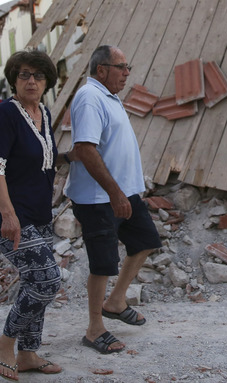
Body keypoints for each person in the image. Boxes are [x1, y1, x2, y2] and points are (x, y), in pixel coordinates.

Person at [0, 50, 72, 380]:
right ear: (14, 80)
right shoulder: (6, 113)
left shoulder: (43, 112)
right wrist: (7, 214)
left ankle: (29, 353)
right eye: (24, 75)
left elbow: (39, 159)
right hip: (8, 214)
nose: (31, 81)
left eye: (38, 76)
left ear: (47, 82)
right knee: (47, 280)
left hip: (37, 213)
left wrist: (68, 157)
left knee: (34, 281)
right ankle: (4, 343)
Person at [66, 44, 162, 355]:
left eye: (127, 67)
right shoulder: (90, 98)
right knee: (103, 262)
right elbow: (85, 150)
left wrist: (126, 191)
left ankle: (116, 301)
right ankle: (95, 329)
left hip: (123, 195)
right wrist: (115, 193)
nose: (127, 72)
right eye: (121, 67)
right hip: (99, 199)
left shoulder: (109, 97)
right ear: (102, 69)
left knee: (146, 240)